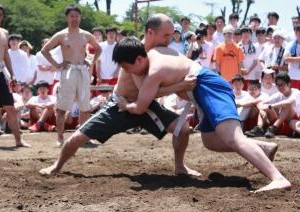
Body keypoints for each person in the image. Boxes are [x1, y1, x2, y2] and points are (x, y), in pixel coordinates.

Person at [113, 37, 291, 192]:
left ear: (138, 59)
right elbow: (156, 91)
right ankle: (263, 148)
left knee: (233, 138)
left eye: (126, 68)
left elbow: (140, 107)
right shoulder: (154, 55)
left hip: (208, 87)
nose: (127, 73)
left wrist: (126, 106)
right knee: (210, 140)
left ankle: (278, 178)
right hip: (200, 93)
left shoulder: (154, 70)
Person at [39, 13, 201, 178]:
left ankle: (180, 166)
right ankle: (57, 165)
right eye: (166, 35)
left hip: (144, 105)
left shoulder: (162, 53)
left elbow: (151, 93)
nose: (170, 40)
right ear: (151, 33)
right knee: (77, 137)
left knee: (183, 129)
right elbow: (149, 90)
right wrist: (180, 86)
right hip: (120, 105)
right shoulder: (133, 51)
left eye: (171, 35)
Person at [41, 5, 101, 146]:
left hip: (82, 71)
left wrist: (92, 61)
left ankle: (83, 136)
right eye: (71, 16)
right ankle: (60, 137)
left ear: (80, 17)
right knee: (62, 107)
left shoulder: (86, 35)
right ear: (67, 17)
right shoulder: (61, 35)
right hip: (68, 71)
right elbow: (45, 50)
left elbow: (98, 49)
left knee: (85, 106)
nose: (74, 18)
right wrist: (57, 64)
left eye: (77, 16)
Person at [0, 3, 30, 149]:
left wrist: (12, 74)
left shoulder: (5, 32)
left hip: (0, 73)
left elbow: (5, 55)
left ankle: (18, 140)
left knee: (10, 108)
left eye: (0, 15)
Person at [247, 73, 300, 138]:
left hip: (291, 122)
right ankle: (259, 128)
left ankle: (273, 128)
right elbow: (261, 102)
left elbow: (288, 102)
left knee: (287, 105)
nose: (280, 87)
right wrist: (262, 110)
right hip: (279, 123)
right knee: (265, 107)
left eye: (282, 84)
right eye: (278, 85)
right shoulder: (278, 94)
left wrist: (270, 106)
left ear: (289, 84)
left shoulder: (296, 92)